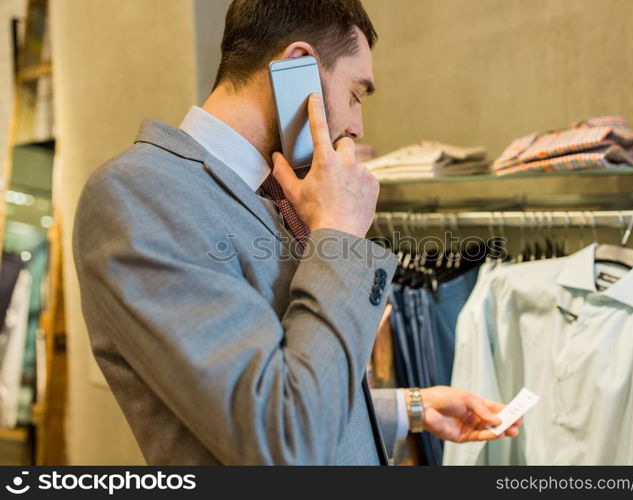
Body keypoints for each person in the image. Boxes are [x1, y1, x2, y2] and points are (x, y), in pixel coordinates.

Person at [73, 0, 521, 465]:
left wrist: (410, 408)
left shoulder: (275, 193)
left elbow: (285, 377)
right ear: (297, 66)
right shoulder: (142, 195)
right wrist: (342, 236)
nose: (356, 125)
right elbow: (285, 440)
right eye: (356, 94)